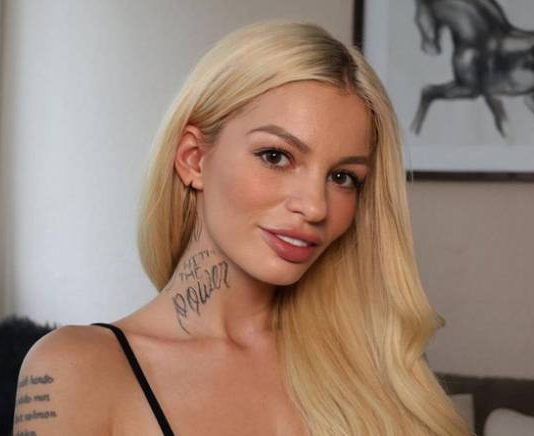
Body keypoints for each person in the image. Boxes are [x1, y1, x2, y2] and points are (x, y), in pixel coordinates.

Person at [13, 19, 472, 436]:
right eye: (276, 156)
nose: (315, 206)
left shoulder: (378, 369)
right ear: (194, 159)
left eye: (342, 177)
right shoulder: (77, 368)